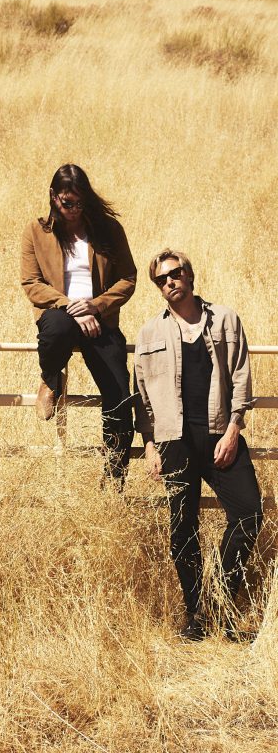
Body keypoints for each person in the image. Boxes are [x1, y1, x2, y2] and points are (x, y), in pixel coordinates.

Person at [134, 248, 263, 641]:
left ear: (188, 274)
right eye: (161, 279)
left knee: (248, 513)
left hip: (220, 435)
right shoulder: (149, 334)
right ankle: (197, 615)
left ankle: (219, 602)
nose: (169, 282)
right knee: (183, 529)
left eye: (174, 274)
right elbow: (142, 395)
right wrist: (150, 445)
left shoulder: (224, 319)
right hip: (174, 441)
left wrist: (233, 429)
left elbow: (240, 376)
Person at [21, 163, 136, 484]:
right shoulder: (36, 231)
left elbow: (128, 278)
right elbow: (31, 283)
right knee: (57, 327)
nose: (74, 210)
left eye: (81, 203)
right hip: (60, 313)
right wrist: (71, 305)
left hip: (100, 321)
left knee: (119, 394)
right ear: (52, 196)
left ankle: (114, 478)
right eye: (67, 203)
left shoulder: (108, 230)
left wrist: (96, 306)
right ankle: (50, 378)